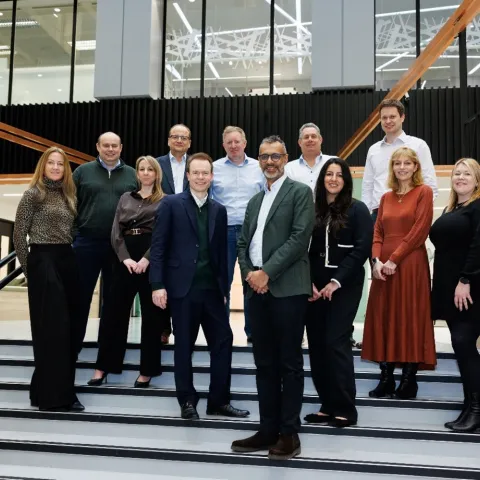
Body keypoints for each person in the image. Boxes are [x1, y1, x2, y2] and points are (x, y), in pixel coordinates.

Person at [231, 135, 314, 460]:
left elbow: (298, 239)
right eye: (264, 156)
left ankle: (289, 434)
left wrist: (267, 272)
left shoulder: (300, 193)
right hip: (257, 292)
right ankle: (268, 429)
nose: (269, 162)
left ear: (285, 158)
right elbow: (242, 243)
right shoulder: (255, 200)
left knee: (289, 364)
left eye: (275, 156)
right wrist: (252, 274)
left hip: (287, 289)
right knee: (263, 363)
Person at [150, 152, 250, 420]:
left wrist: (224, 289)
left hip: (212, 291)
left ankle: (218, 401)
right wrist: (157, 284)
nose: (201, 177)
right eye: (196, 172)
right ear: (188, 175)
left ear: (211, 176)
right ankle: (187, 401)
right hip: (182, 290)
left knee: (224, 342)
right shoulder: (171, 204)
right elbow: (158, 247)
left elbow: (220, 254)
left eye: (206, 173)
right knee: (184, 346)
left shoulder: (219, 210)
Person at [362, 146, 436, 399]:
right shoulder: (385, 198)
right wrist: (376, 261)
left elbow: (420, 230)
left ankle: (408, 381)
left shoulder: (423, 192)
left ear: (416, 166)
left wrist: (394, 259)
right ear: (392, 168)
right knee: (384, 317)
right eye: (397, 163)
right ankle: (386, 379)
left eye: (407, 163)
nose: (402, 167)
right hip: (383, 268)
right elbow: (378, 232)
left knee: (409, 317)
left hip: (410, 264)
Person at [13, 147, 84, 412]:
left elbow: (71, 229)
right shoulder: (33, 194)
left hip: (67, 260)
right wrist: (31, 271)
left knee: (70, 331)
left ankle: (49, 389)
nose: (55, 167)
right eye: (51, 163)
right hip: (43, 260)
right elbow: (19, 235)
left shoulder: (69, 195)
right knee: (53, 330)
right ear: (43, 166)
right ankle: (53, 397)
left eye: (60, 164)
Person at [88, 156, 168, 388]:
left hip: (151, 257)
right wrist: (126, 259)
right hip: (124, 259)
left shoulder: (165, 201)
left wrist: (145, 259)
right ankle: (103, 367)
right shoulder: (125, 198)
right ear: (137, 173)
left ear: (156, 174)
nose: (145, 173)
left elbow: (164, 234)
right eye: (141, 169)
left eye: (149, 169)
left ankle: (147, 371)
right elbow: (116, 231)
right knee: (113, 314)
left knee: (153, 319)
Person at [304, 158, 372, 428]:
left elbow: (361, 250)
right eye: (328, 174)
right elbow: (303, 249)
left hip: (344, 285)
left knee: (335, 341)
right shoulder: (312, 210)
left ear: (346, 180)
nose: (333, 179)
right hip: (313, 287)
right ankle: (327, 405)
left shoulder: (358, 209)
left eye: (339, 175)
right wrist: (308, 281)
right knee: (318, 345)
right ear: (322, 179)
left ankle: (346, 408)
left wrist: (336, 281)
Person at [73, 132, 137, 353]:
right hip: (86, 243)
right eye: (106, 145)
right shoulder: (82, 172)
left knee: (114, 300)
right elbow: (70, 204)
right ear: (97, 147)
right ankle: (73, 346)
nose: (110, 149)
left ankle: (109, 349)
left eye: (115, 146)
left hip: (120, 246)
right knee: (80, 297)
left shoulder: (132, 175)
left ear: (121, 148)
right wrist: (74, 235)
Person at [430, 158, 480, 433]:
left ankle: (476, 409)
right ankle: (469, 406)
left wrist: (466, 279)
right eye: (457, 173)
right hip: (450, 288)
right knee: (461, 346)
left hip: (469, 288)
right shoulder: (453, 208)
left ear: (476, 179)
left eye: (467, 174)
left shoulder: (477, 206)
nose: (460, 177)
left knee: (463, 343)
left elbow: (477, 245)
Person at [211, 126, 263, 342]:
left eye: (237, 141)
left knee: (251, 281)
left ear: (245, 143)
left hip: (251, 233)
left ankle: (253, 332)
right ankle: (222, 331)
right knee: (222, 282)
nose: (233, 146)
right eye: (229, 142)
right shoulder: (214, 168)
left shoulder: (259, 167)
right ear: (223, 145)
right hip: (223, 231)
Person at [362, 99, 438, 222]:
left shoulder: (418, 145)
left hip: (409, 212)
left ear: (402, 117)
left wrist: (421, 213)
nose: (388, 121)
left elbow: (430, 184)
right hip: (378, 214)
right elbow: (368, 186)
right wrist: (365, 217)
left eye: (392, 117)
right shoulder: (373, 150)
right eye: (384, 117)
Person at [155, 123, 191, 344]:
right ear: (168, 140)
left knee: (184, 277)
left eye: (184, 137)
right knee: (162, 276)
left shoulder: (196, 164)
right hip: (161, 225)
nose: (179, 140)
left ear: (189, 142)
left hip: (189, 228)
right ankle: (162, 328)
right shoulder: (156, 165)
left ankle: (183, 326)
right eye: (175, 137)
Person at [285, 122, 334, 192]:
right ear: (300, 142)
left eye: (313, 136)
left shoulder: (333, 162)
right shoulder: (289, 168)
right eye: (306, 137)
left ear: (320, 140)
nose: (310, 139)